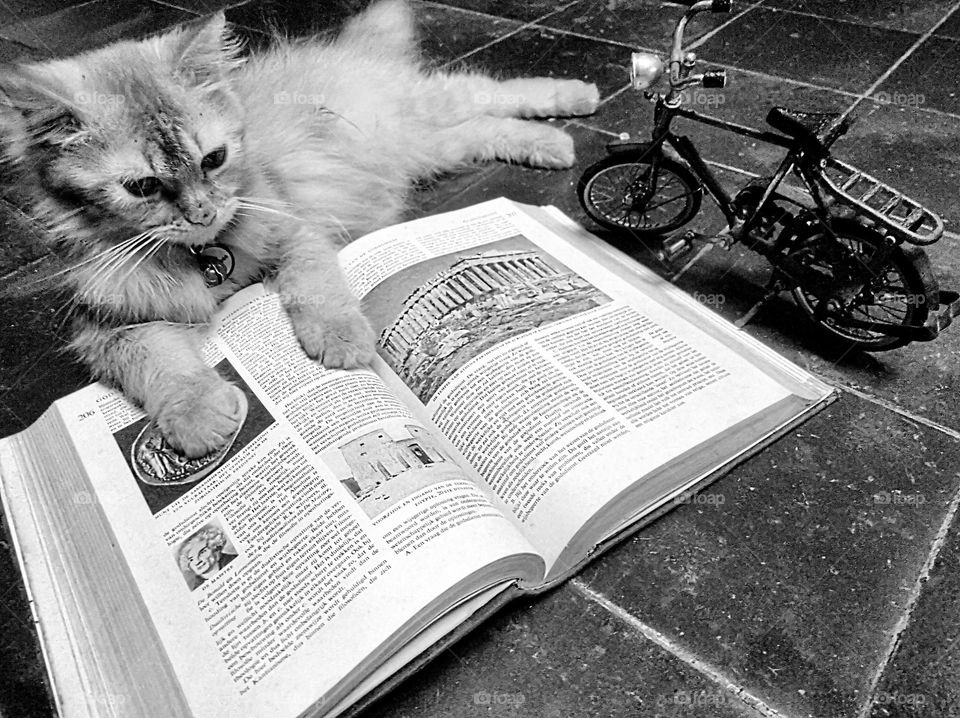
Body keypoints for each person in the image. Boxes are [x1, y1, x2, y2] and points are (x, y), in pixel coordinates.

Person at [177, 524, 237, 590]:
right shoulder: (197, 589)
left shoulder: (235, 561)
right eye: (191, 559)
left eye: (202, 552)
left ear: (215, 548)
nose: (197, 561)